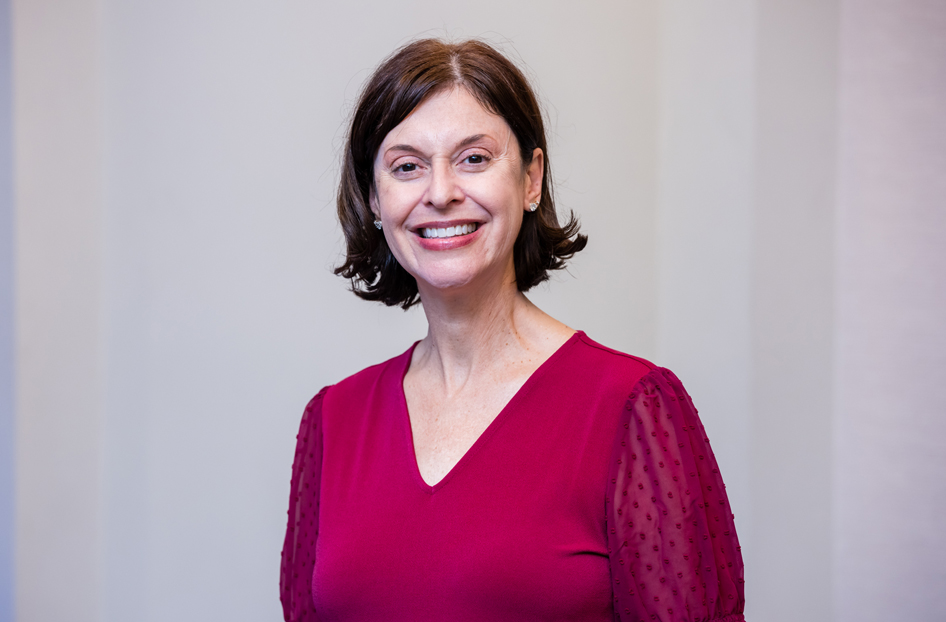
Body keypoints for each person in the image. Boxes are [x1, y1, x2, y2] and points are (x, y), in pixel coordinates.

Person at [280, 38, 745, 622]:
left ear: (531, 179)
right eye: (407, 166)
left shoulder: (631, 407)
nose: (442, 192)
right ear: (375, 198)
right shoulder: (332, 421)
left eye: (474, 158)